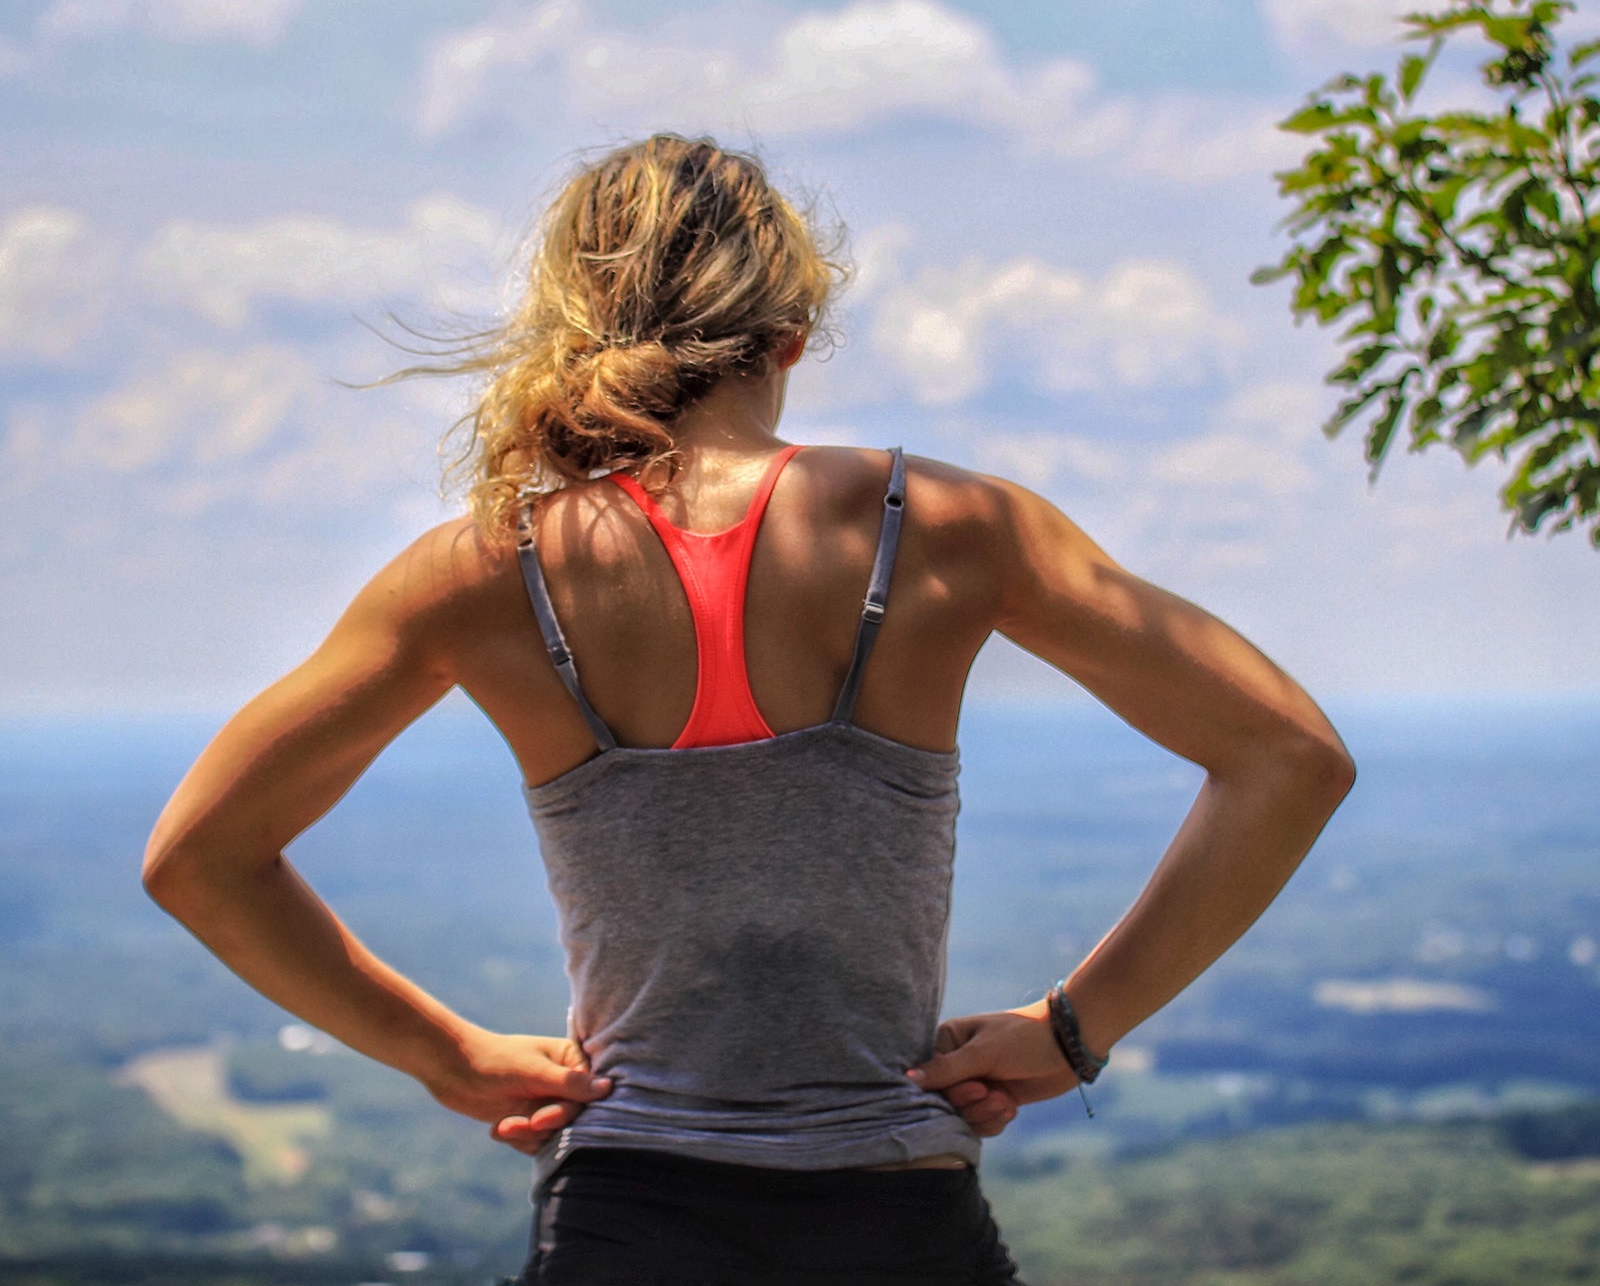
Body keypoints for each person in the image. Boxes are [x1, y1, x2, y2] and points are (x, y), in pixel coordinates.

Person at [143, 132, 1356, 1286]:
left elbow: (200, 856)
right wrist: (1073, 1029)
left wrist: (443, 1055)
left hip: (622, 1219)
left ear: (580, 325)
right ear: (791, 331)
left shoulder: (482, 571)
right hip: (897, 1217)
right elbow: (1287, 757)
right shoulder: (943, 531)